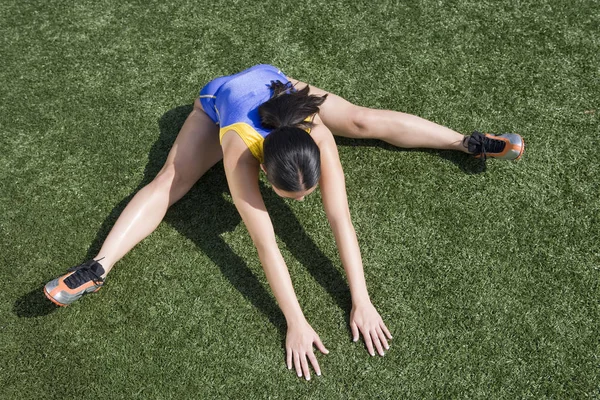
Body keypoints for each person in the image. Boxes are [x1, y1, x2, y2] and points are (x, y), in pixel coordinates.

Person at [43, 64, 524, 380]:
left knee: (357, 119)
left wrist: (362, 299)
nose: (299, 203)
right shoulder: (237, 151)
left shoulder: (315, 132)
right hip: (221, 99)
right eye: (288, 196)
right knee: (174, 178)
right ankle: (98, 266)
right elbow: (267, 247)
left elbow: (341, 220)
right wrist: (295, 321)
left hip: (279, 89)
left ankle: (469, 141)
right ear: (263, 173)